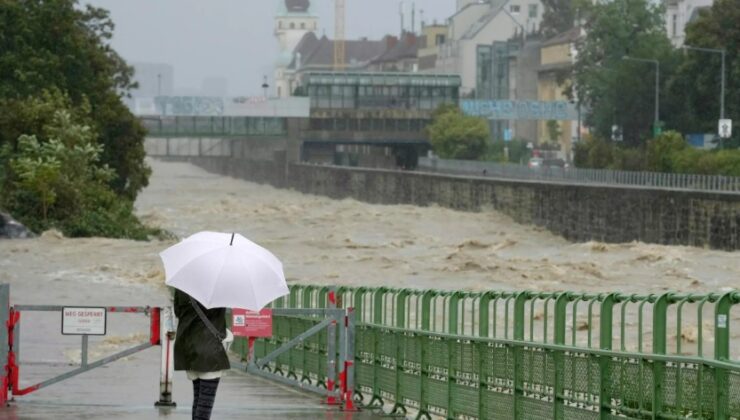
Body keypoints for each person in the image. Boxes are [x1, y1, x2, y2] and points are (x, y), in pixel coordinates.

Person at [173, 289, 230, 420]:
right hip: (209, 351)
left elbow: (177, 311)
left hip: (189, 348)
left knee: (198, 402)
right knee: (204, 407)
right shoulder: (218, 288)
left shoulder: (182, 284)